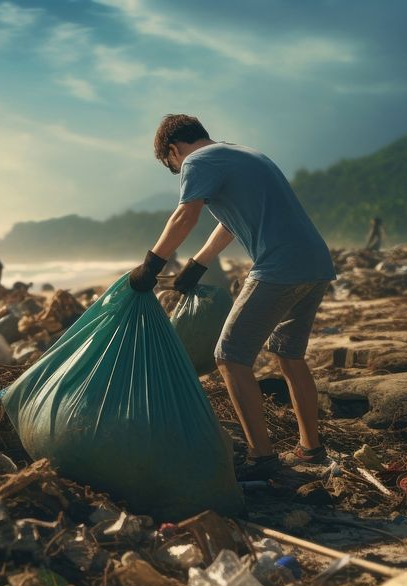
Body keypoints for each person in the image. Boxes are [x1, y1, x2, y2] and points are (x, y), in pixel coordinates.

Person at [129, 114, 336, 481]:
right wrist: (196, 265)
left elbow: (185, 216)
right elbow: (228, 224)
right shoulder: (242, 155)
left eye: (172, 166)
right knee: (289, 354)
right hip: (315, 263)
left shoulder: (197, 161)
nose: (179, 171)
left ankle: (262, 457)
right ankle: (311, 450)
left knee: (229, 355)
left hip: (280, 266)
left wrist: (150, 264)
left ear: (173, 151)